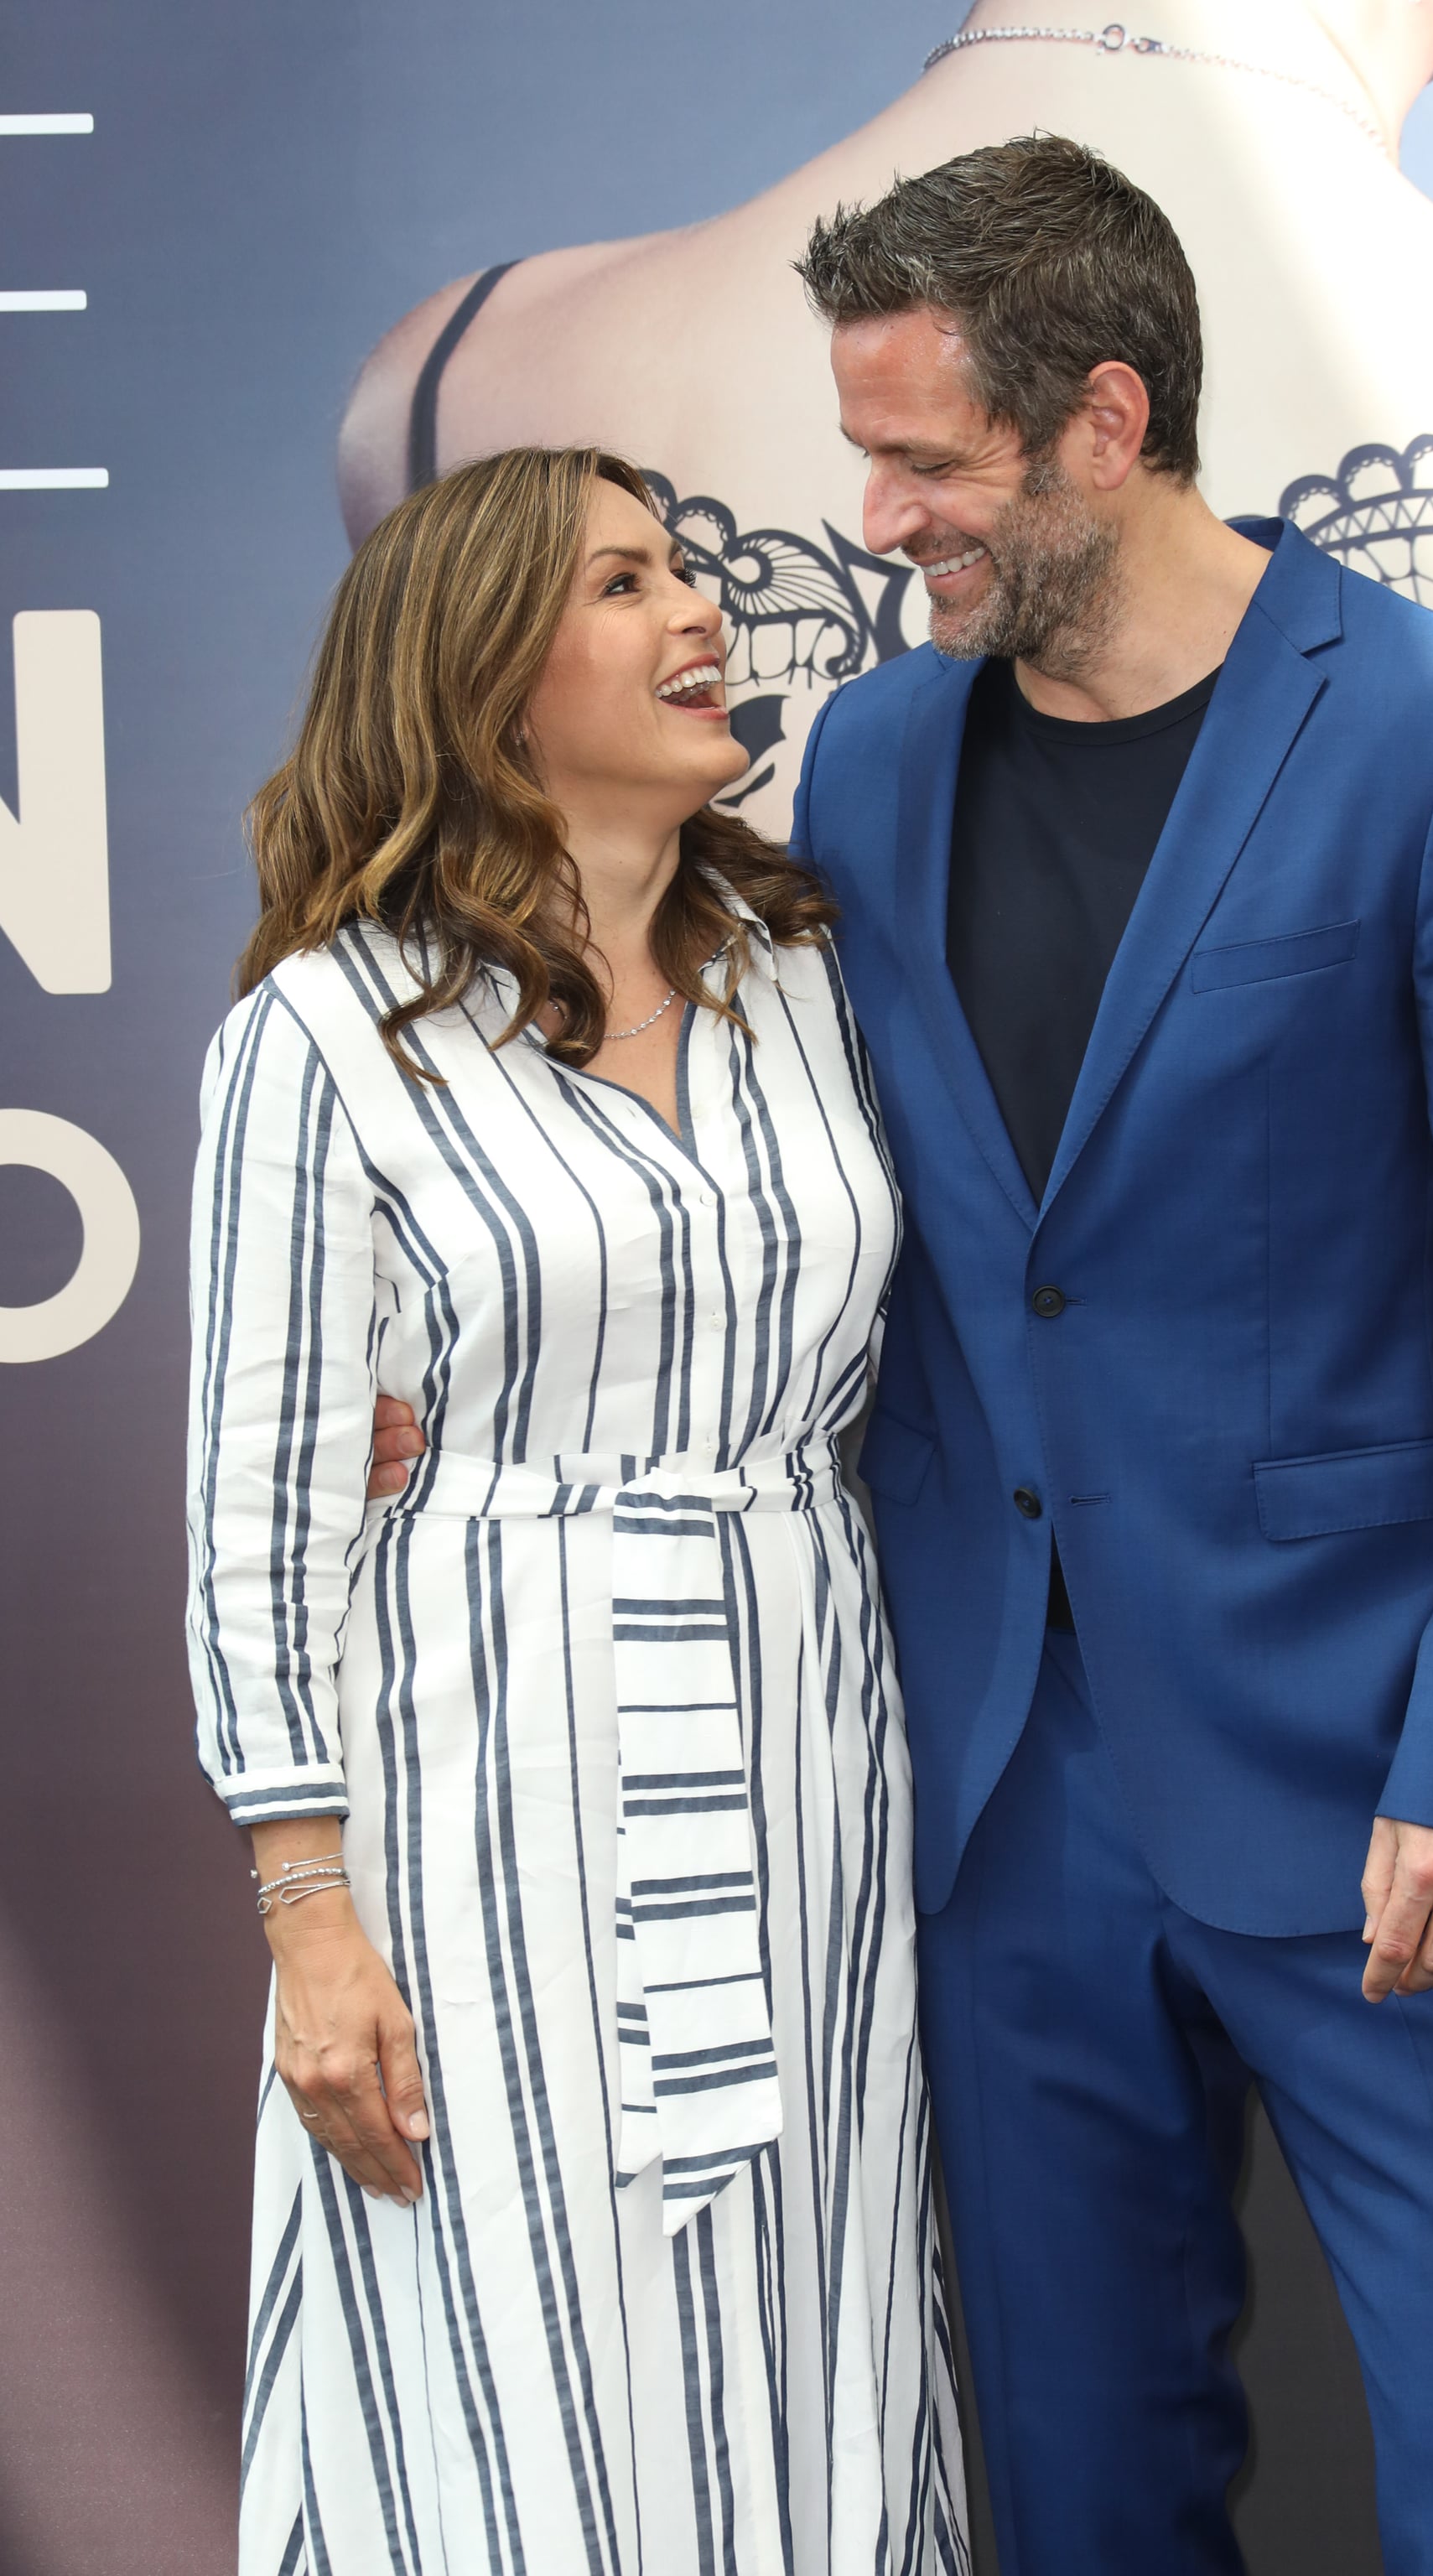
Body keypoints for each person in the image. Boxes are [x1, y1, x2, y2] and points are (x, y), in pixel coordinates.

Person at [339, 42, 1433, 2456]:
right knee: (1079, 2492)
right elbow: (833, 1208)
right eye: (863, 453)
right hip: (998, 1800)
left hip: (1381, 1780)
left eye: (928, 464)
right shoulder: (870, 756)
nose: (873, 519)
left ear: (1107, 420)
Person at [185, 445, 968, 2576]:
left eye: (689, 566)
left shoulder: (810, 979)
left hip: (811, 1740)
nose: (703, 610)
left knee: (812, 2319)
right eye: (628, 582)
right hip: (487, 1782)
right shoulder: (329, 1037)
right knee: (513, 2342)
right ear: (486, 678)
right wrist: (305, 1909)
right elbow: (258, 1501)